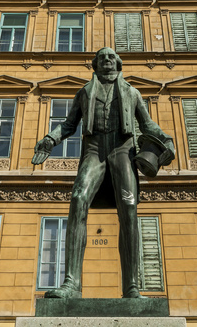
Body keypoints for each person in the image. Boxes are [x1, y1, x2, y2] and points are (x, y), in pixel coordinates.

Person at [32, 47, 174, 298]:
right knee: (77, 200)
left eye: (111, 57)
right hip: (94, 148)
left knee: (129, 209)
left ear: (118, 63)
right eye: (101, 57)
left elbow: (146, 123)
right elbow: (69, 124)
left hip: (123, 148)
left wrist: (166, 139)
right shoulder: (84, 93)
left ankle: (132, 286)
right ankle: (72, 284)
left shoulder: (131, 92)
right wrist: (50, 139)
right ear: (95, 65)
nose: (107, 60)